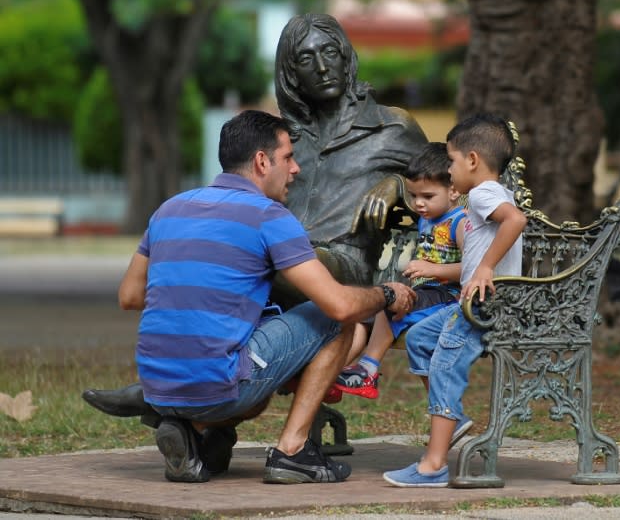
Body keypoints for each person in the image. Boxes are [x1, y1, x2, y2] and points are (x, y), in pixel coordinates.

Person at [91, 110, 416, 485]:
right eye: (289, 157)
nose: (295, 169)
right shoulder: (268, 215)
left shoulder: (169, 209)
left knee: (250, 353)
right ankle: (292, 452)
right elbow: (338, 304)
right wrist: (387, 293)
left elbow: (130, 296)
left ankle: (192, 430)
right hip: (219, 383)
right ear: (263, 161)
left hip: (156, 385)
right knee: (337, 322)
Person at [382, 113, 527, 488]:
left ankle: (433, 465)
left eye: (451, 160)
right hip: (476, 303)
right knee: (418, 338)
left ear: (473, 161)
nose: (448, 169)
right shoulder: (487, 194)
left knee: (445, 364)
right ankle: (454, 420)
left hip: (481, 306)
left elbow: (516, 221)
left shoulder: (482, 193)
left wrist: (484, 269)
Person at [272, 12, 428, 308]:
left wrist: (398, 185)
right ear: (292, 76)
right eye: (306, 59)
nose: (321, 67)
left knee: (266, 259)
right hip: (284, 254)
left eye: (329, 52)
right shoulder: (284, 139)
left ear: (346, 58)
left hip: (346, 265)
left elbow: (453, 189)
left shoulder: (392, 126)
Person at [334, 142, 466, 400]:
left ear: (453, 191)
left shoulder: (460, 223)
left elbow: (474, 269)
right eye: (414, 195)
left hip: (449, 298)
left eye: (427, 197)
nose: (418, 204)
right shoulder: (427, 218)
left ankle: (368, 368)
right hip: (427, 293)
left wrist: (433, 268)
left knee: (390, 301)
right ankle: (332, 375)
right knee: (366, 311)